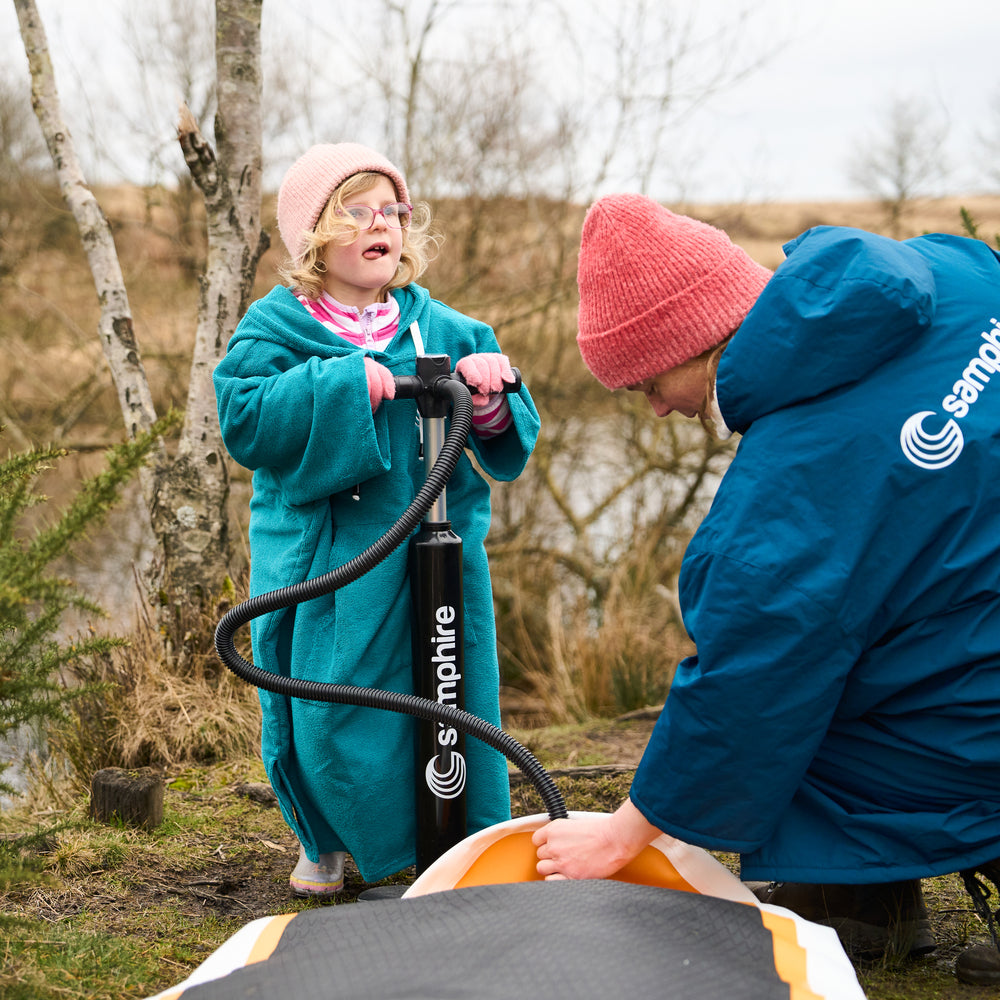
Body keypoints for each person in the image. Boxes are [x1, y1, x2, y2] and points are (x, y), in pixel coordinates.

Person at [531, 194, 1000, 985]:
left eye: (648, 382)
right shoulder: (955, 271)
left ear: (696, 341)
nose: (657, 408)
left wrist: (625, 834)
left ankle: (857, 894)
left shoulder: (795, 478)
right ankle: (861, 897)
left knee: (799, 702)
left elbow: (750, 679)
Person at [214, 143, 539, 897]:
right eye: (356, 212)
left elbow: (505, 422)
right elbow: (244, 417)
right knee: (328, 702)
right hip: (326, 556)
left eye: (390, 212)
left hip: (438, 550)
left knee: (447, 693)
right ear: (313, 237)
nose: (379, 225)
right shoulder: (275, 329)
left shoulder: (444, 328)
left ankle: (451, 839)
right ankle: (326, 842)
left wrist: (489, 396)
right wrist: (340, 386)